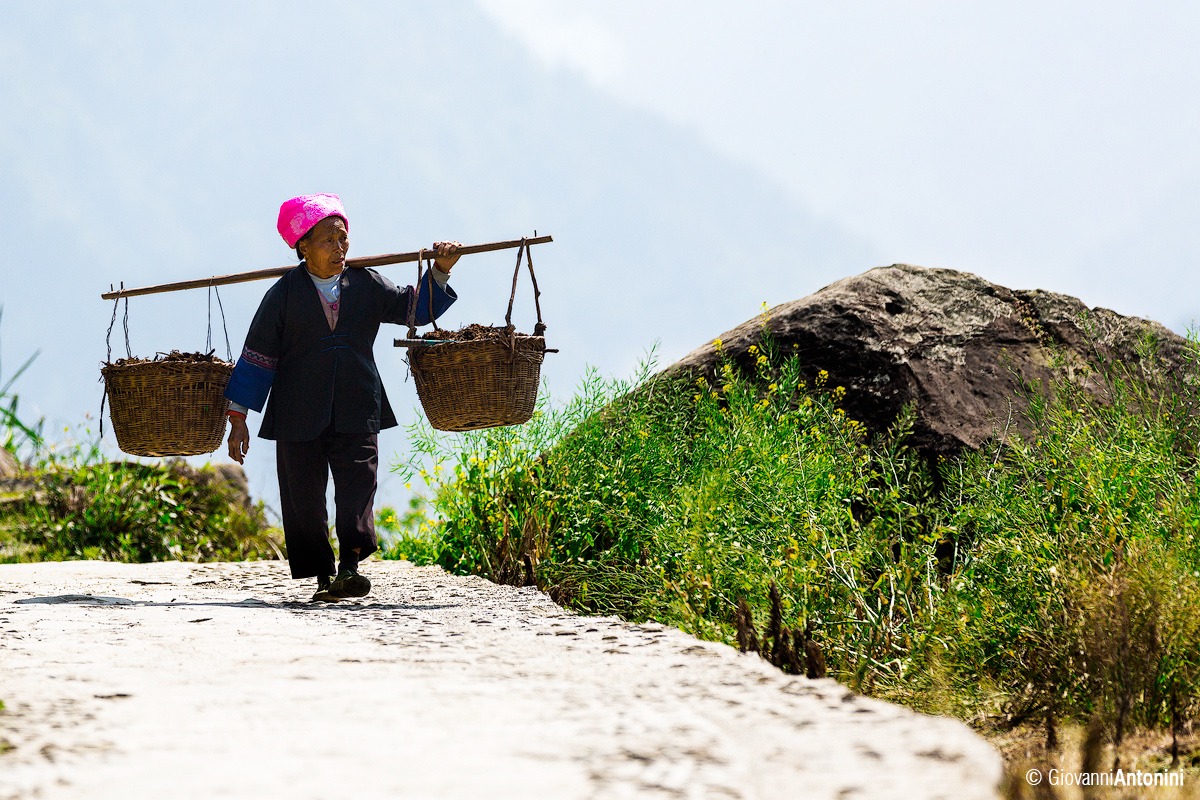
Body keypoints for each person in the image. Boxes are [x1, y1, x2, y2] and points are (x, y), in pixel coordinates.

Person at [223, 193, 459, 602]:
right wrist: (239, 419)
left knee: (357, 487)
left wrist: (439, 270)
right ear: (303, 247)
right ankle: (321, 575)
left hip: (357, 404)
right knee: (303, 497)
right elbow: (258, 357)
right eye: (329, 240)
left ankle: (349, 567)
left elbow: (413, 309)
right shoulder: (284, 294)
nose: (340, 248)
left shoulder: (365, 284)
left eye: (343, 239)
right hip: (298, 413)